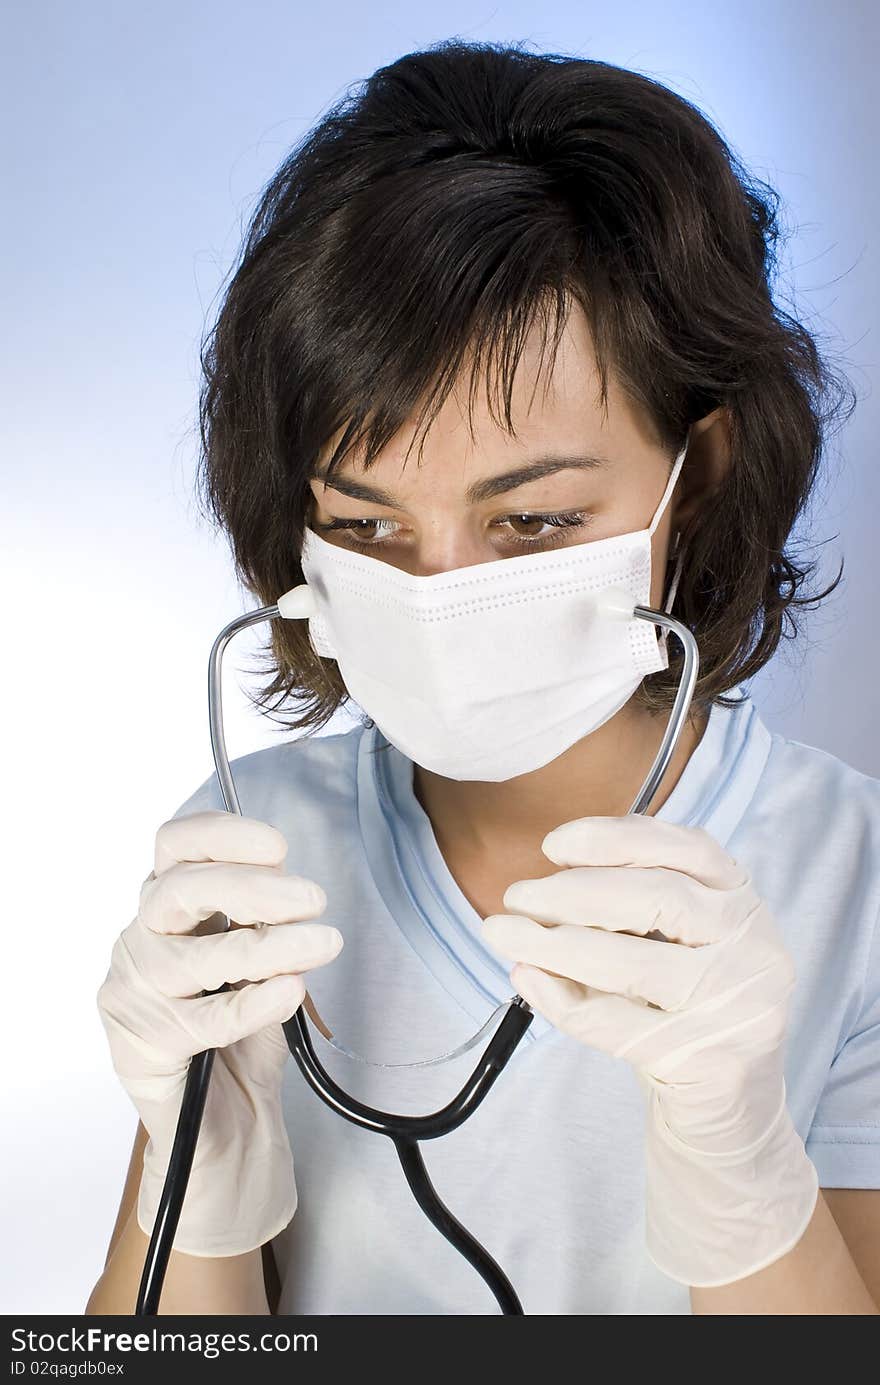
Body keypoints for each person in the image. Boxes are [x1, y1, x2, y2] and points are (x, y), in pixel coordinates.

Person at [87, 40, 879, 1316]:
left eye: (532, 524)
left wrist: (745, 1174)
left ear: (704, 471)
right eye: (366, 527)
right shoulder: (257, 847)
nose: (440, 589)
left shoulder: (857, 881)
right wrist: (201, 1176)